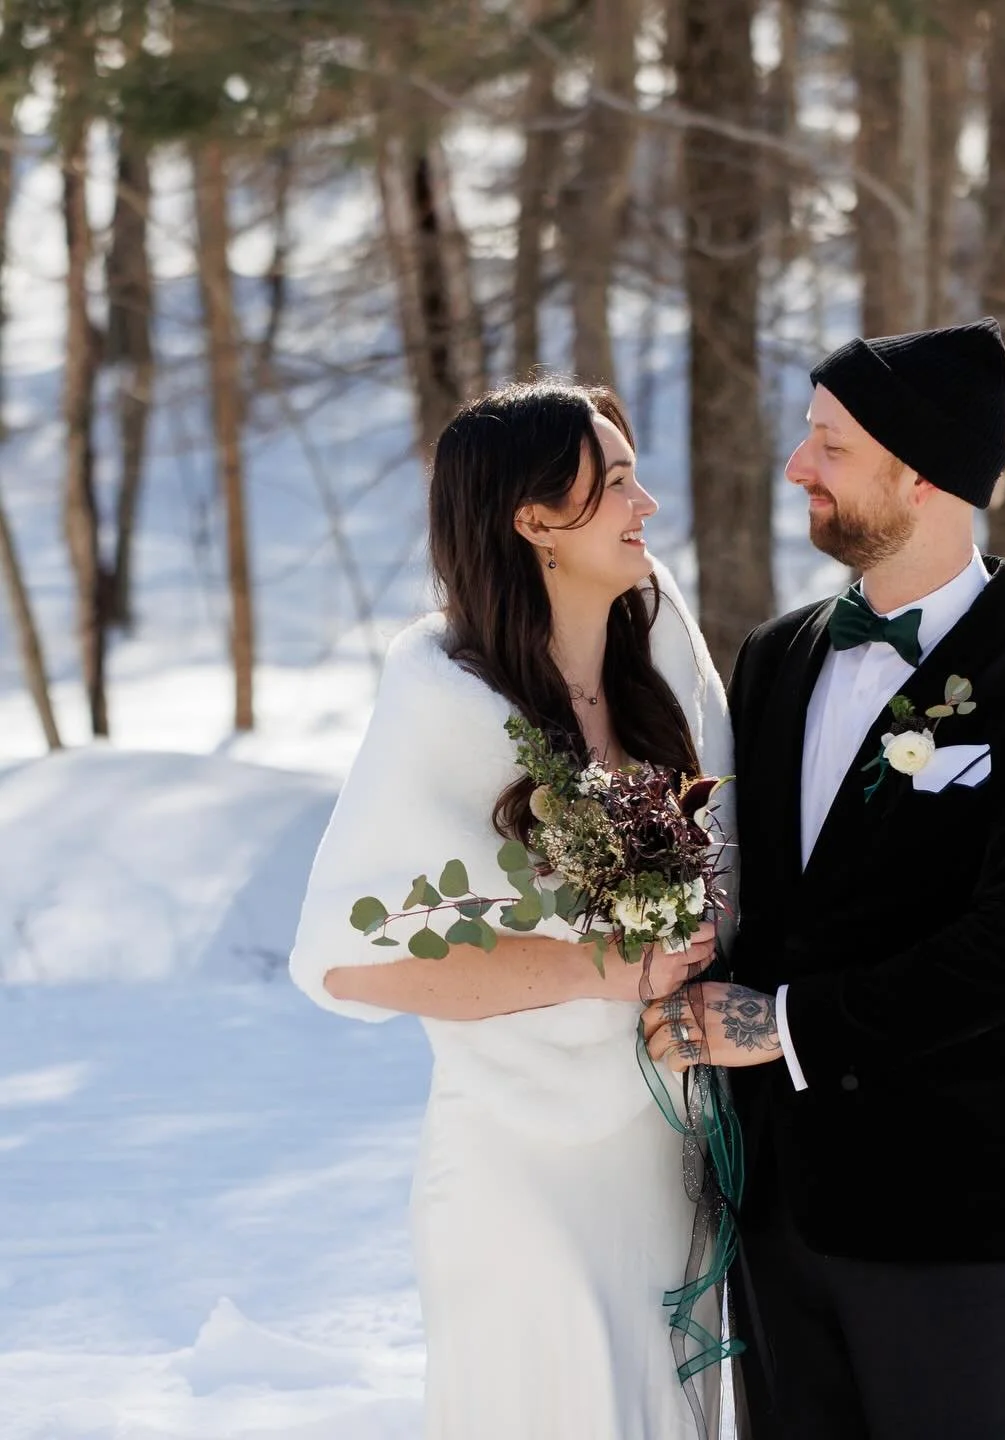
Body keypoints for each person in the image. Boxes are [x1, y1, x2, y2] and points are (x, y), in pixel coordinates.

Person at [644, 319, 1005, 1439]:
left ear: (921, 476)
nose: (796, 467)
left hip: (947, 1208)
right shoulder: (778, 656)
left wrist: (782, 1025)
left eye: (829, 444)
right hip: (775, 1208)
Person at [290, 379, 731, 1439]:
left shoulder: (660, 650)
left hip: (670, 1151)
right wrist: (597, 970)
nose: (647, 506)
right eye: (617, 481)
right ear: (536, 520)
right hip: (522, 1166)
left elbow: (738, 849)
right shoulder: (444, 697)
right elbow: (348, 962)